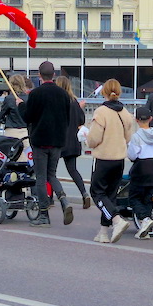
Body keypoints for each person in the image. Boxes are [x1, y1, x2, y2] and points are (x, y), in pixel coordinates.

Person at [22, 61, 74, 227]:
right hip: (57, 140)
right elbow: (67, 118)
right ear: (54, 75)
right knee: (52, 174)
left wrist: (21, 106)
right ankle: (63, 199)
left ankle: (44, 214)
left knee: (41, 177)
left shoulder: (36, 94)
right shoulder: (63, 94)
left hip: (40, 140)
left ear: (39, 75)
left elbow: (28, 117)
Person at [85, 79, 135, 242]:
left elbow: (94, 139)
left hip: (103, 158)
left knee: (97, 193)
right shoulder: (125, 113)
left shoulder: (101, 112)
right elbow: (128, 138)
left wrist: (87, 138)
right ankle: (103, 232)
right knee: (111, 195)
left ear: (104, 92)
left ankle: (117, 219)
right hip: (119, 158)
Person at [127, 107, 153, 239]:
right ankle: (145, 230)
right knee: (148, 199)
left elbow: (132, 155)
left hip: (141, 170)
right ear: (151, 119)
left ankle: (145, 219)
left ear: (136, 120)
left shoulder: (136, 137)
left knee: (134, 198)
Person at [56, 75, 90, 208]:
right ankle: (84, 193)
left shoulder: (58, 101)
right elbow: (81, 121)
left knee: (50, 171)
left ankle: (53, 197)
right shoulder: (74, 102)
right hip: (73, 141)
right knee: (73, 170)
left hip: (59, 140)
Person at [0, 74, 29, 156]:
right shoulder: (29, 98)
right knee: (26, 157)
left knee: (11, 156)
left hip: (11, 130)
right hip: (26, 131)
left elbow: (1, 115)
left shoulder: (9, 99)